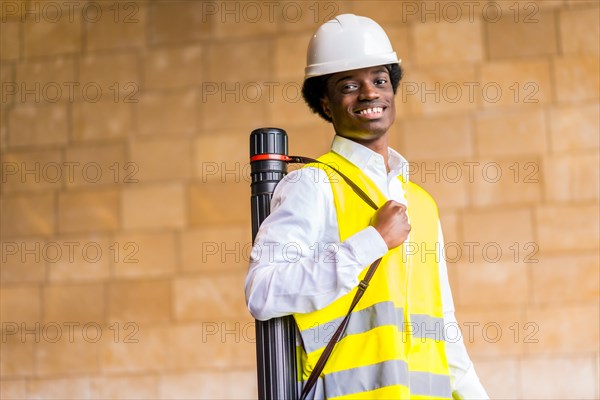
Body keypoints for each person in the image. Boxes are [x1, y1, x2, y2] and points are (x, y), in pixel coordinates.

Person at [245, 14, 489, 399]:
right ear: (325, 103)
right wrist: (372, 240)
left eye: (379, 80)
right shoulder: (314, 183)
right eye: (349, 85)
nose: (369, 93)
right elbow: (263, 291)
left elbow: (443, 326)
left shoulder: (421, 205)